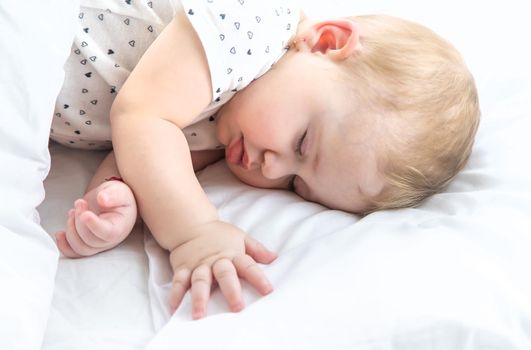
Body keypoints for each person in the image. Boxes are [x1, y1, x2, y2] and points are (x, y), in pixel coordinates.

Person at [52, 0, 480, 319]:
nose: (273, 169)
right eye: (302, 144)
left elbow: (144, 155)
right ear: (325, 41)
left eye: (295, 184)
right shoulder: (252, 25)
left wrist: (113, 203)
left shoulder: (229, 128)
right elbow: (142, 116)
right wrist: (195, 232)